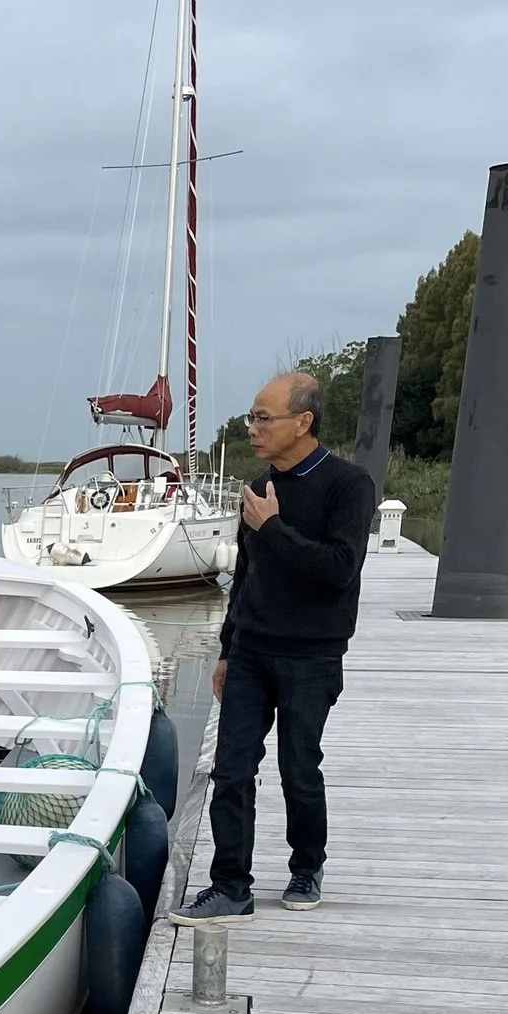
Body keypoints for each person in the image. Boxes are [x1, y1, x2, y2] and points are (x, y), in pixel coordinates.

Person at [172, 371, 377, 924]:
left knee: (298, 767)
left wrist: (273, 528)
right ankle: (230, 886)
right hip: (251, 654)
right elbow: (246, 576)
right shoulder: (260, 488)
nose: (253, 428)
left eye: (264, 418)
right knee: (231, 771)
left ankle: (307, 865)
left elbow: (339, 570)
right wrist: (225, 648)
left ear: (303, 422)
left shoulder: (348, 486)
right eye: (252, 417)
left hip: (312, 656)